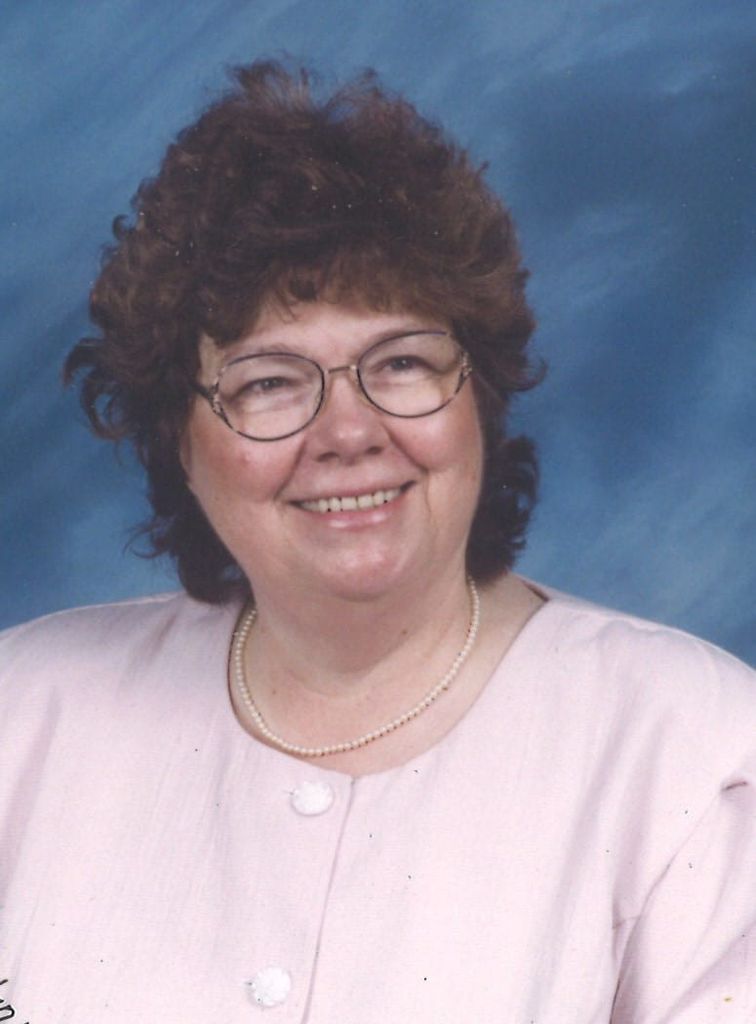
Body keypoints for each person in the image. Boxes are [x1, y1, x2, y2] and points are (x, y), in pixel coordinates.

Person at [1, 60, 754, 1023]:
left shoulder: (698, 750)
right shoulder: (25, 718)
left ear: (479, 397)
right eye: (269, 382)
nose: (349, 432)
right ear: (177, 441)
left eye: (399, 362)